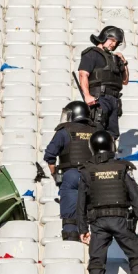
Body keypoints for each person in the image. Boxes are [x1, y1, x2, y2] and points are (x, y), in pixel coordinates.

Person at [77, 131, 138, 274]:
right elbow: (135, 196)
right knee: (137, 254)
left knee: (96, 261)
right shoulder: (122, 168)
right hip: (120, 220)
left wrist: (82, 229)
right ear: (111, 146)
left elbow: (80, 203)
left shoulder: (87, 171)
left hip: (98, 223)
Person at [44, 101, 97, 243]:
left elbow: (50, 157)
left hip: (71, 175)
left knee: (70, 219)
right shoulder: (96, 131)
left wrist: (55, 175)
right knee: (93, 216)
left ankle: (71, 245)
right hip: (92, 176)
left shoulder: (64, 131)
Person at [78, 26, 127, 136]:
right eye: (112, 40)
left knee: (112, 135)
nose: (113, 44)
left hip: (114, 100)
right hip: (99, 97)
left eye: (116, 42)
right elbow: (83, 74)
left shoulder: (115, 58)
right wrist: (87, 95)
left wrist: (124, 62)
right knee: (97, 131)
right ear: (104, 37)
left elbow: (125, 80)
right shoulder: (92, 53)